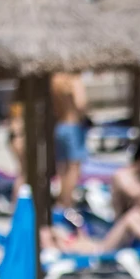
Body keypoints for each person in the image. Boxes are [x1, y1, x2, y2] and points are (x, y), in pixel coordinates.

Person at [51, 71, 88, 207]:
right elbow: (81, 104)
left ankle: (61, 202)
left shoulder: (55, 79)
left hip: (58, 126)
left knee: (62, 169)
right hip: (72, 125)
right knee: (74, 168)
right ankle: (67, 203)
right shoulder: (74, 80)